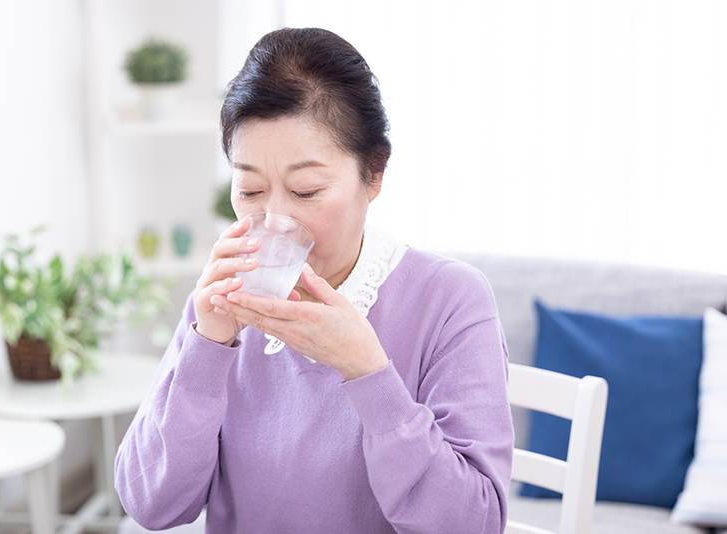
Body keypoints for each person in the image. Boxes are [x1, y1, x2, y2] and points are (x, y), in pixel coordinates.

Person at [115, 27, 514, 534]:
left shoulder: (451, 299)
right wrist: (206, 346)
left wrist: (367, 371)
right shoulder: (226, 299)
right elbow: (151, 505)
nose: (276, 220)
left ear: (374, 174)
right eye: (250, 189)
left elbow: (473, 523)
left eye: (306, 191)